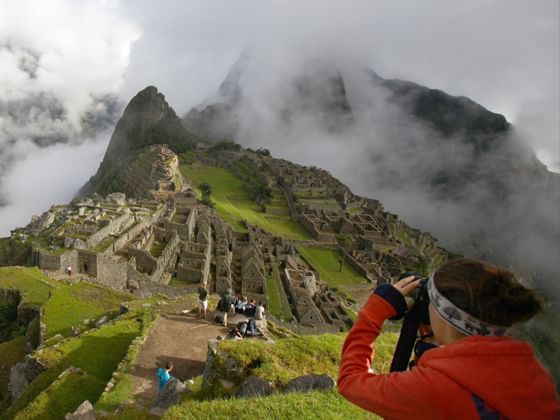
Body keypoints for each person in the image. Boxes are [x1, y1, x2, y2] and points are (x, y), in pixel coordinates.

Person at [338, 259, 559, 419]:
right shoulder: (535, 375)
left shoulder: (432, 388)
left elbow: (351, 380)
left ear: (444, 316)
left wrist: (375, 311)